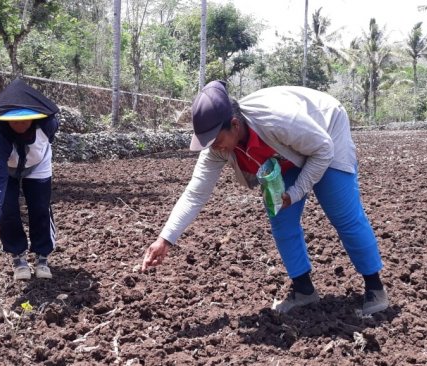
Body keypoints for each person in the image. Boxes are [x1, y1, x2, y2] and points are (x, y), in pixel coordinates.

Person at [141, 80, 389, 315]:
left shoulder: (277, 120)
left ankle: (375, 288)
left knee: (342, 212)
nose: (213, 147)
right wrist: (166, 239)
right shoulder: (217, 148)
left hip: (325, 132)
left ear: (235, 125)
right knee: (280, 217)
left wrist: (295, 192)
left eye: (216, 140)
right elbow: (195, 194)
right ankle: (304, 291)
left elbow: (323, 149)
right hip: (284, 154)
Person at [0, 78, 60, 281]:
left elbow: (46, 142)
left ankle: (42, 257)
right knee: (7, 209)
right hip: (6, 168)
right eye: (14, 120)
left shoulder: (48, 124)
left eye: (25, 119)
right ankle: (18, 257)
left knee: (40, 207)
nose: (20, 124)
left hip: (38, 163)